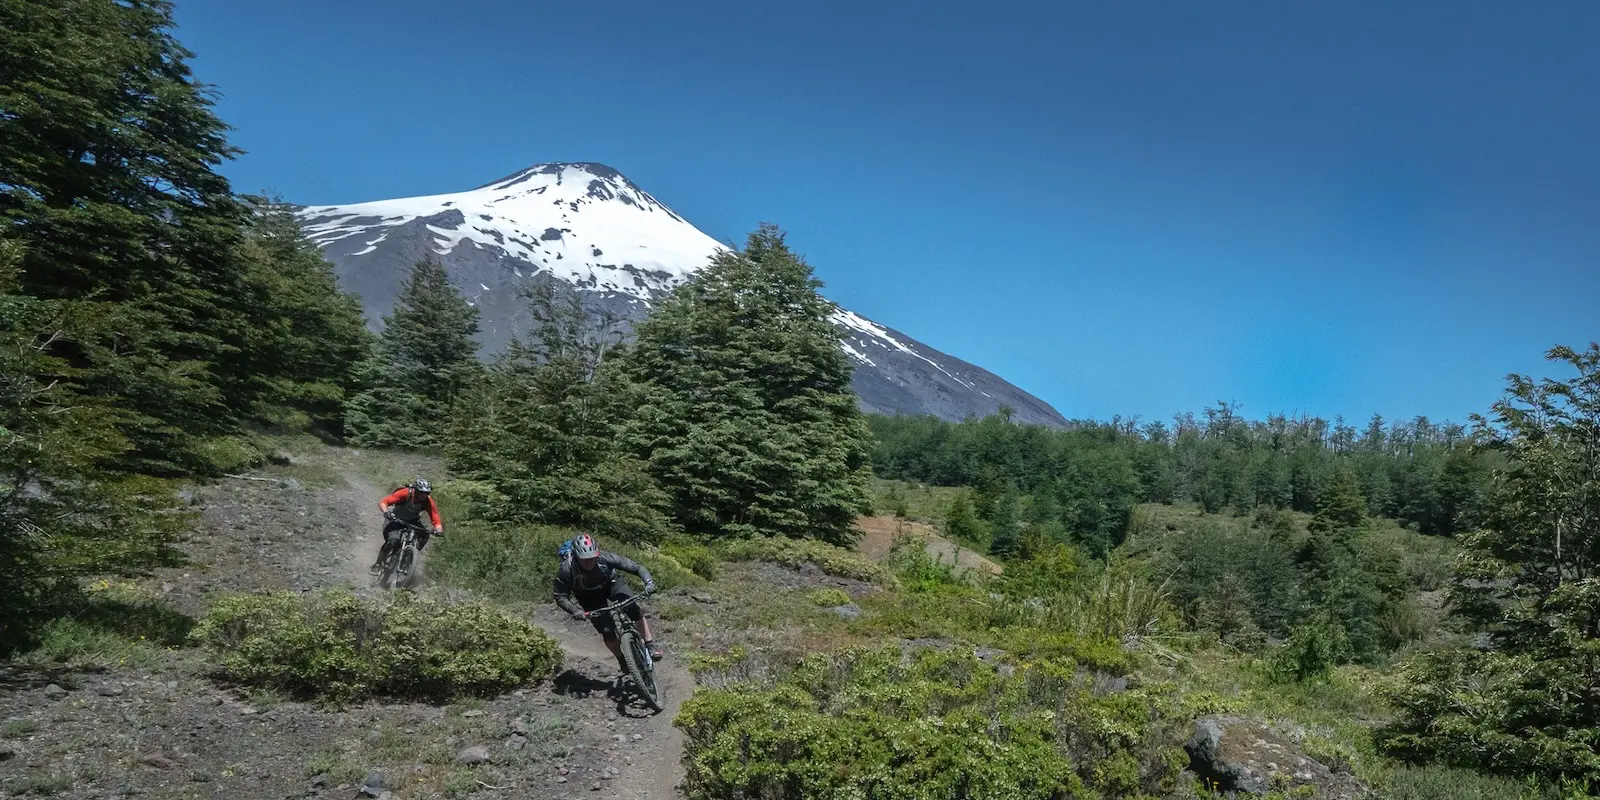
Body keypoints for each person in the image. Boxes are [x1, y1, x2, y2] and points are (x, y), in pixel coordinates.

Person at [553, 534, 664, 672]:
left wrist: (648, 582)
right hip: (588, 595)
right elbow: (560, 595)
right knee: (607, 631)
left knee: (632, 608)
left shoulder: (605, 558)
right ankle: (623, 660)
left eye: (593, 558)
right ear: (576, 557)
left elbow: (636, 567)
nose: (590, 563)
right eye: (585, 560)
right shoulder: (566, 569)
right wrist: (576, 611)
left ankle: (650, 644)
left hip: (611, 584)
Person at [370, 478, 444, 574]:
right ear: (416, 491)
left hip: (413, 521)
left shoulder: (428, 501)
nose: (424, 495)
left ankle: (410, 555)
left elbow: (435, 518)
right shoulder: (406, 493)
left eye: (426, 493)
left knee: (424, 535)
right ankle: (378, 564)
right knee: (392, 541)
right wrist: (386, 512)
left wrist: (438, 529)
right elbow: (384, 502)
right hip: (396, 519)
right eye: (421, 493)